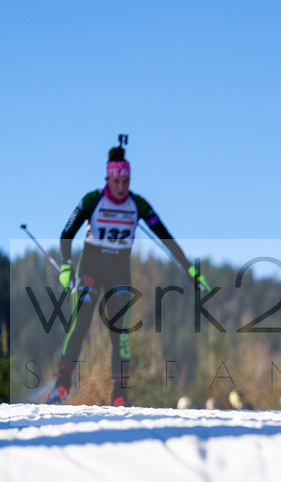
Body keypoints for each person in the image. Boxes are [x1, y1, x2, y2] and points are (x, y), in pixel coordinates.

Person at [45, 141, 209, 407]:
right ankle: (61, 386)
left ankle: (120, 394)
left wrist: (189, 268)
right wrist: (66, 264)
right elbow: (66, 234)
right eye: (117, 181)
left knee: (120, 332)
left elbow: (166, 238)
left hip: (120, 271)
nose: (122, 187)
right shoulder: (92, 200)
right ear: (108, 178)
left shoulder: (138, 205)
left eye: (126, 181)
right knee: (81, 323)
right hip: (91, 267)